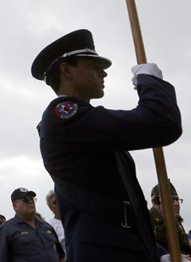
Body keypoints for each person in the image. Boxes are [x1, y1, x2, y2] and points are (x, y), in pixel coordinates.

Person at [32, 29, 182, 261]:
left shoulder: (86, 123)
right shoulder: (63, 117)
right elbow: (161, 124)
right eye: (93, 65)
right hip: (102, 250)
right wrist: (150, 82)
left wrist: (158, 254)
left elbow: (121, 208)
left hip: (121, 246)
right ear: (66, 69)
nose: (103, 72)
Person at [0, 188, 63, 262]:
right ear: (15, 206)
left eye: (32, 199)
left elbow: (61, 256)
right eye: (25, 200)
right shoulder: (6, 230)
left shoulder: (47, 227)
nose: (30, 201)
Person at [148, 182, 191, 257]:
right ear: (155, 202)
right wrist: (173, 256)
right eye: (170, 199)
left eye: (177, 200)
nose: (176, 204)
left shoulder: (176, 222)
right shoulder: (147, 221)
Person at [43, 191, 65, 257]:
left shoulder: (76, 220)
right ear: (50, 208)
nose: (58, 204)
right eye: (55, 202)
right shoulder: (49, 226)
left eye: (60, 200)